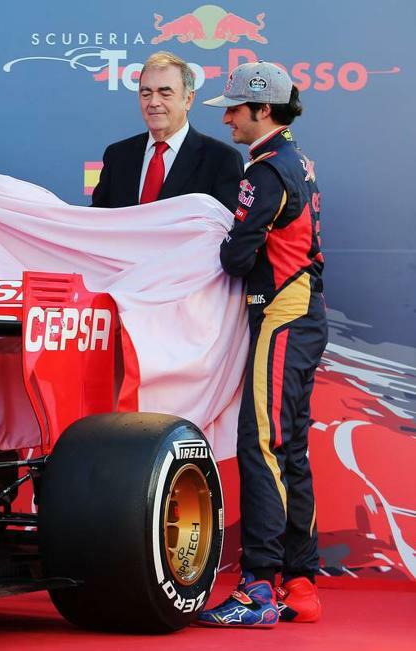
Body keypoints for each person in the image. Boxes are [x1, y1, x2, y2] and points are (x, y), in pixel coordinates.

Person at [197, 61, 326, 628]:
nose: (227, 118)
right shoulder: (294, 160)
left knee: (263, 446)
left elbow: (234, 255)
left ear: (263, 110)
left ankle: (259, 587)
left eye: (234, 109)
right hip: (301, 317)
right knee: (289, 448)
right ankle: (300, 582)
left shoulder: (268, 170)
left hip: (281, 317)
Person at [91, 51, 243, 210]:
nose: (154, 102)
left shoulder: (221, 160)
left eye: (165, 93)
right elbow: (98, 220)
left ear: (188, 99)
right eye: (146, 93)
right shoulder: (117, 156)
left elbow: (227, 228)